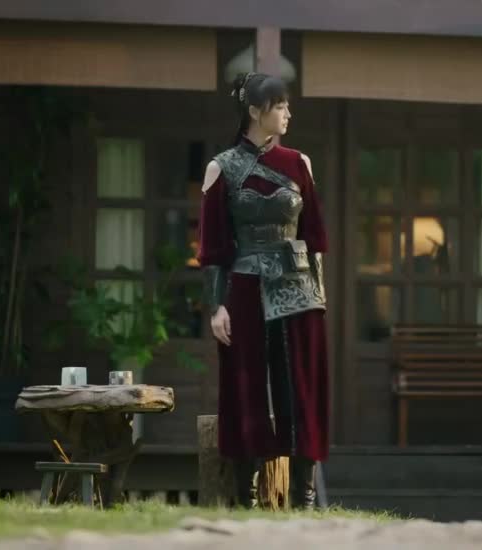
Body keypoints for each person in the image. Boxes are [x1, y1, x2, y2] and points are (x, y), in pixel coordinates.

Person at [197, 72, 329, 510]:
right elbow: (213, 247)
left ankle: (304, 496)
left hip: (297, 287)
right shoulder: (221, 167)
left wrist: (319, 294)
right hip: (245, 286)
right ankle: (245, 495)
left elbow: (314, 236)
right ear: (255, 111)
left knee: (302, 387)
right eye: (280, 106)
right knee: (246, 385)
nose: (288, 113)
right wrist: (216, 306)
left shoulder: (299, 163)